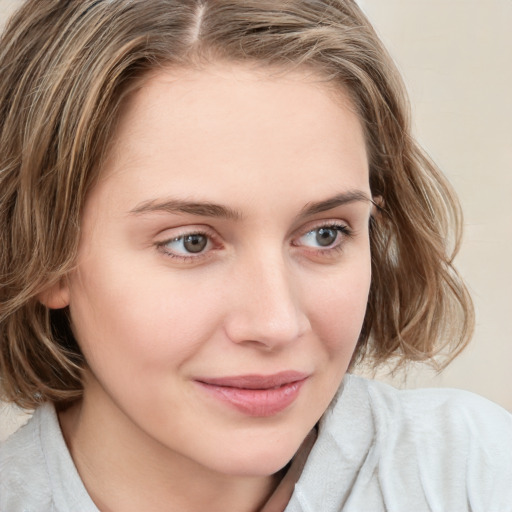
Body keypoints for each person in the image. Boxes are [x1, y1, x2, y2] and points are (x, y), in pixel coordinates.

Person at [0, 0, 510, 510]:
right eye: (190, 242)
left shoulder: (472, 473)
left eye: (326, 234)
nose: (276, 324)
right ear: (44, 253)